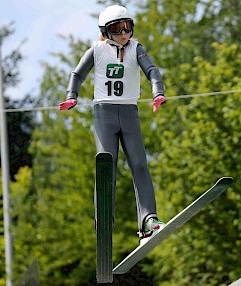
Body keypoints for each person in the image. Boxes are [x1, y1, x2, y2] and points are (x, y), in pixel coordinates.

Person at [59, 4, 166, 245]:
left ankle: (148, 219)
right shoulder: (97, 49)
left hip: (130, 112)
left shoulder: (135, 48)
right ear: (106, 32)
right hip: (104, 114)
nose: (124, 33)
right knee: (106, 164)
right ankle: (104, 217)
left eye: (128, 26)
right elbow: (77, 74)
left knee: (139, 163)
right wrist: (71, 95)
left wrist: (157, 91)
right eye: (118, 28)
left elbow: (151, 69)